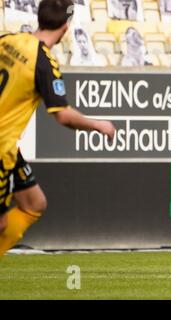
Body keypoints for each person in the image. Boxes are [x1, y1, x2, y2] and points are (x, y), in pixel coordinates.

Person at [0, 0, 116, 258]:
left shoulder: (7, 40)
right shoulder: (43, 62)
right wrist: (99, 125)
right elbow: (62, 115)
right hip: (1, 147)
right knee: (2, 224)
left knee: (34, 203)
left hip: (8, 148)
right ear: (65, 28)